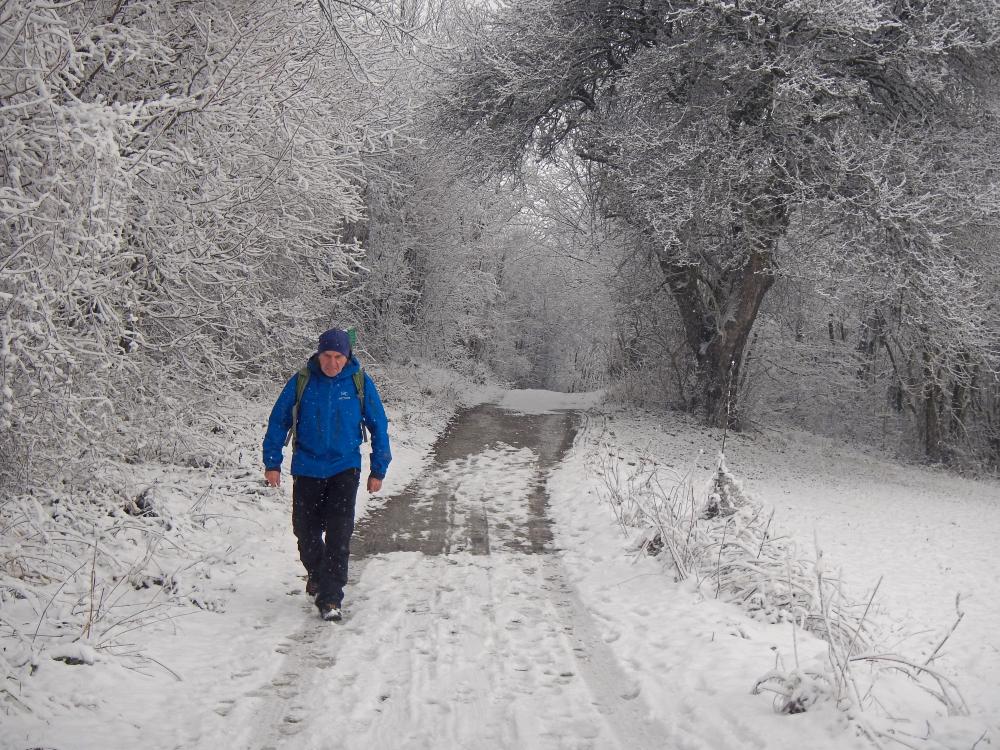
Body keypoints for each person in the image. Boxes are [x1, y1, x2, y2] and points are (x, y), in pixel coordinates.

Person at [262, 328, 391, 621]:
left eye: (338, 357)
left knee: (338, 533)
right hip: (307, 468)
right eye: (327, 356)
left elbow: (378, 426)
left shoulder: (359, 383)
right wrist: (272, 462)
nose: (332, 363)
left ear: (347, 358)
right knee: (304, 532)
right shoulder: (302, 382)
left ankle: (331, 597)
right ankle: (319, 574)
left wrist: (378, 469)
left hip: (344, 468)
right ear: (318, 355)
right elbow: (278, 421)